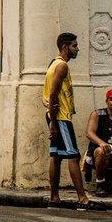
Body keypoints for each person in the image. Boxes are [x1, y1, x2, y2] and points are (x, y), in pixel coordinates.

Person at [44, 32, 88, 208]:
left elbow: (47, 94)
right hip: (60, 117)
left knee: (55, 155)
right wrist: (54, 123)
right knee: (73, 156)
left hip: (55, 115)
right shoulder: (62, 66)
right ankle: (82, 197)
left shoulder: (53, 64)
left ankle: (54, 197)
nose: (77, 49)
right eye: (74, 46)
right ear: (65, 47)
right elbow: (53, 95)